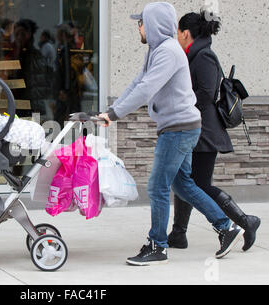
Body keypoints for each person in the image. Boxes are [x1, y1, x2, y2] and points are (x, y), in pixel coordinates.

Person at [98, 2, 243, 266]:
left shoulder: (167, 52)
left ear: (152, 24)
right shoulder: (156, 50)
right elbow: (137, 83)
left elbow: (146, 89)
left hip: (179, 128)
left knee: (157, 186)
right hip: (181, 126)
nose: (138, 28)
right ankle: (227, 228)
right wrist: (111, 110)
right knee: (183, 184)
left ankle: (158, 245)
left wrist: (115, 115)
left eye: (140, 23)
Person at [167, 11, 261, 251]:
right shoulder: (193, 55)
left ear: (186, 33)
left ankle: (245, 221)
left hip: (205, 132)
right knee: (183, 180)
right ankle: (178, 234)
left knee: (198, 184)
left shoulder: (204, 56)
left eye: (178, 32)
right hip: (194, 128)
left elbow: (207, 93)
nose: (176, 36)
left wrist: (179, 101)